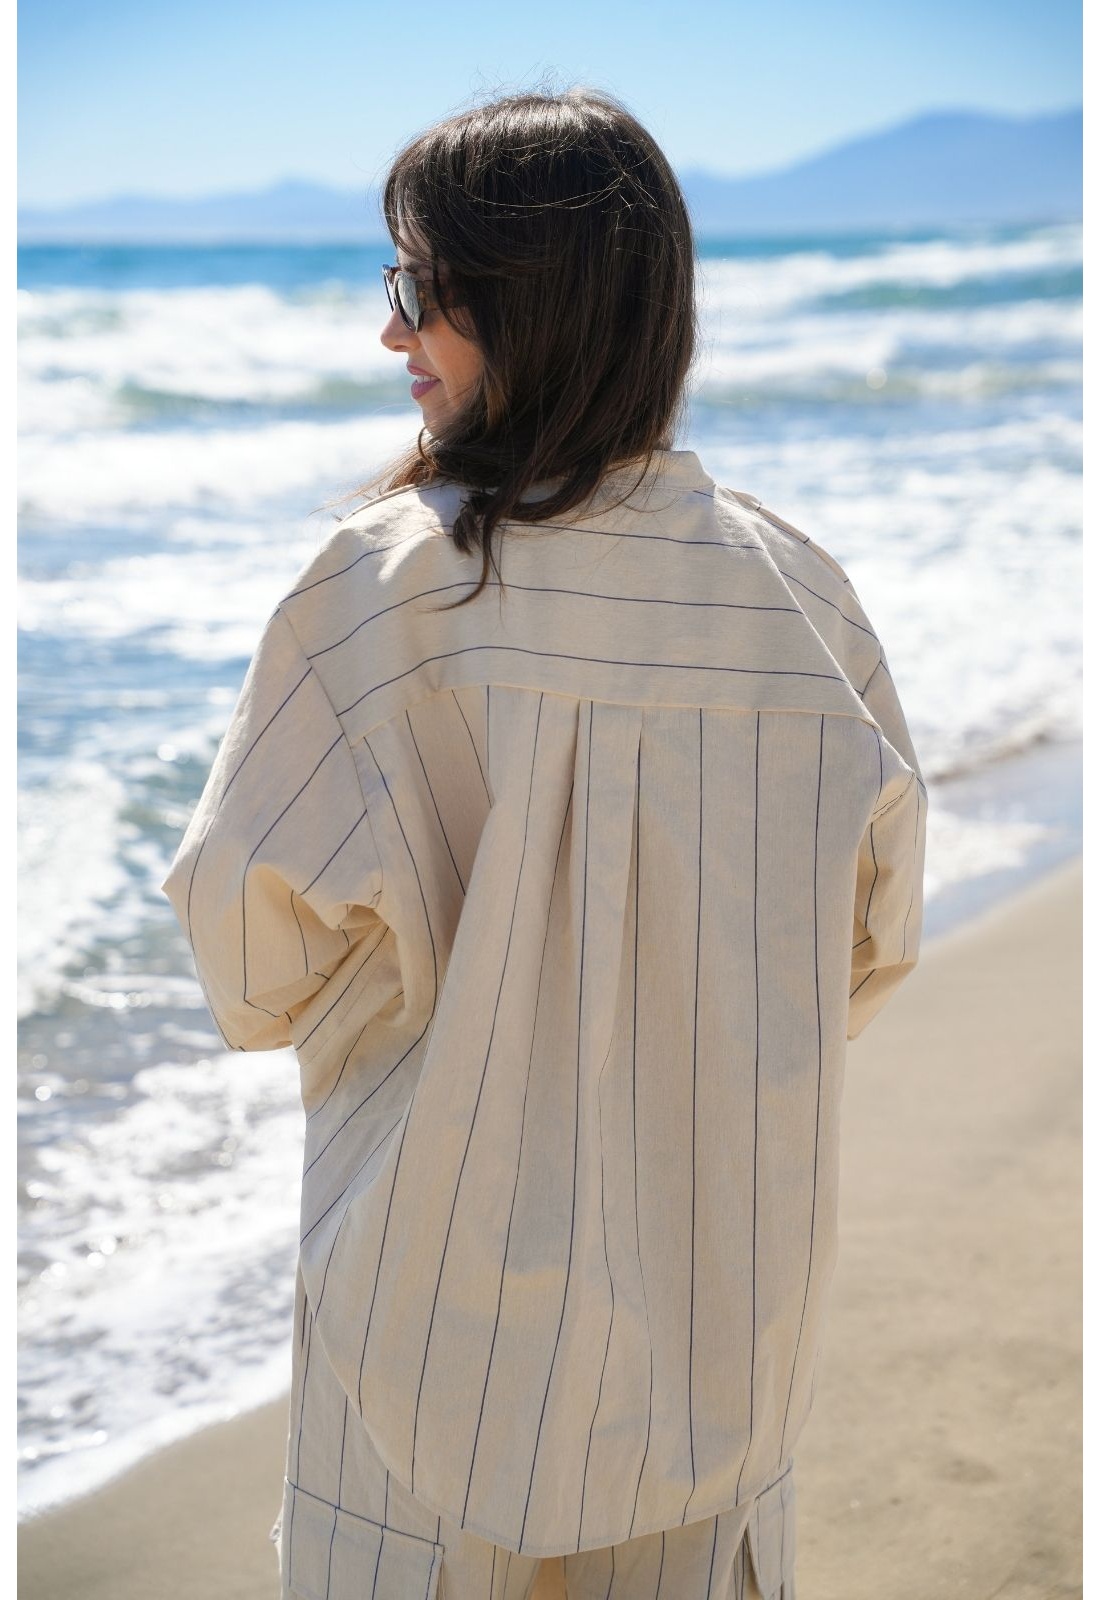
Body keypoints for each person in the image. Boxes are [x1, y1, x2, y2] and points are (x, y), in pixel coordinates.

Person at [162, 85, 927, 1600]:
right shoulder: (802, 600)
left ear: (532, 300)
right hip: (722, 1308)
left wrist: (460, 992)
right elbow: (872, 943)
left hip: (426, 1298)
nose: (392, 330)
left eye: (419, 286)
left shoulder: (381, 587)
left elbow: (244, 960)